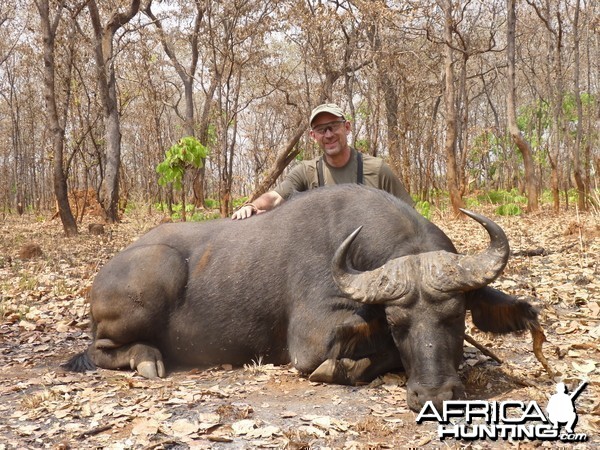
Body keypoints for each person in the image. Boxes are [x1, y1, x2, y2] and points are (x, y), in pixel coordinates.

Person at [232, 103, 413, 220]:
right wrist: (252, 206)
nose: (328, 135)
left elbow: (410, 215)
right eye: (321, 129)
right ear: (313, 136)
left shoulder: (376, 169)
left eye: (333, 126)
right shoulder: (306, 172)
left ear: (347, 127)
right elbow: (275, 197)